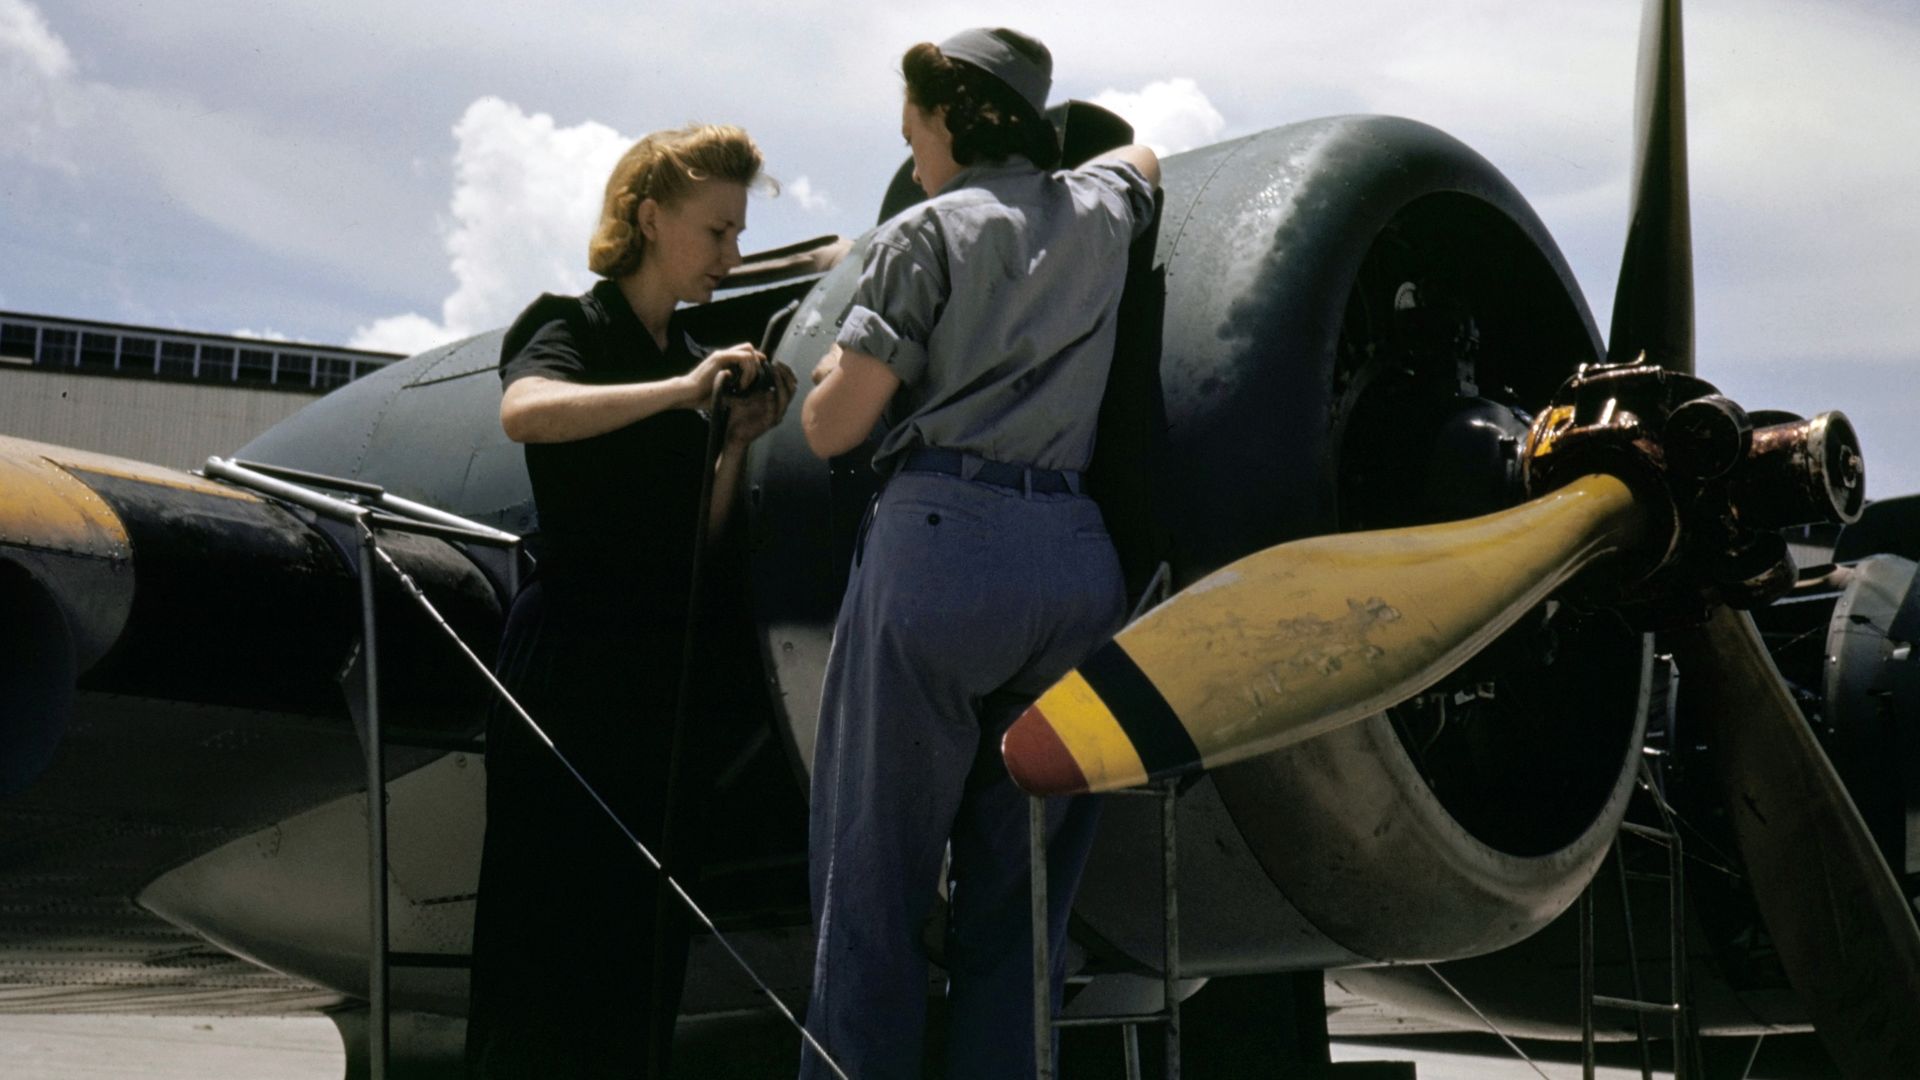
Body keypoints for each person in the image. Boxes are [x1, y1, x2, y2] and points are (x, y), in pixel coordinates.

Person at [797, 27, 1161, 1080]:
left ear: (951, 120)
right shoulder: (1099, 209)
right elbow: (1142, 159)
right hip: (1078, 570)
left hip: (942, 551)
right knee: (1026, 901)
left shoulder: (922, 232)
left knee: (873, 882)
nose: (913, 157)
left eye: (917, 132)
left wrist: (830, 359)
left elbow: (835, 427)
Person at [465, 123, 797, 1080]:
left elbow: (703, 537)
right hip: (568, 656)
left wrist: (732, 443)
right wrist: (680, 392)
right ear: (650, 219)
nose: (730, 258)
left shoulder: (692, 352)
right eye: (717, 232)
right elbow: (524, 411)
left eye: (738, 234)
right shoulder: (569, 322)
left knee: (638, 943)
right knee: (545, 926)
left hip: (657, 668)